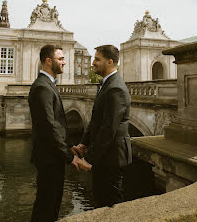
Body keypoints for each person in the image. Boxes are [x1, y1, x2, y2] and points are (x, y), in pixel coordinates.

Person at [29, 44, 91, 222]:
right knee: (46, 206)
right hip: (49, 158)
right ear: (49, 61)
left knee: (52, 203)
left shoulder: (47, 84)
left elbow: (57, 124)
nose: (64, 62)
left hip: (52, 156)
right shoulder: (42, 87)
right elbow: (49, 127)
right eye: (61, 59)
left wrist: (69, 146)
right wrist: (70, 158)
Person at [74, 45, 132, 208]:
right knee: (100, 199)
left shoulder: (116, 88)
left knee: (109, 205)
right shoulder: (107, 84)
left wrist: (89, 159)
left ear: (110, 62)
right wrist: (84, 143)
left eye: (97, 59)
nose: (93, 63)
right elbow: (96, 120)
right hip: (106, 155)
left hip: (112, 157)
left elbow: (108, 129)